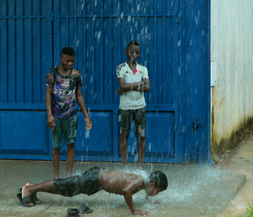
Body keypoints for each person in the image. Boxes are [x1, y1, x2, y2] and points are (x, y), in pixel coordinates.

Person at [17, 167, 168, 216]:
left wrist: (149, 200)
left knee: (66, 190)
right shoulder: (140, 181)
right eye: (157, 191)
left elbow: (140, 190)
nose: (156, 193)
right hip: (95, 179)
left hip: (96, 182)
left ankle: (33, 187)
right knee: (64, 185)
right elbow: (126, 190)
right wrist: (133, 210)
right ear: (152, 184)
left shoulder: (144, 181)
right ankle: (29, 189)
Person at [46, 47, 92, 180]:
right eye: (67, 61)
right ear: (60, 59)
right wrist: (49, 114)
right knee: (56, 146)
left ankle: (68, 176)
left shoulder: (75, 75)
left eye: (72, 61)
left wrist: (86, 115)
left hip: (72, 115)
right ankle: (56, 177)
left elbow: (79, 95)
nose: (70, 64)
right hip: (56, 115)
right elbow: (48, 95)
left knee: (71, 144)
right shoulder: (52, 73)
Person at [116, 41, 150, 168]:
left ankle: (140, 166)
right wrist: (139, 84)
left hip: (140, 106)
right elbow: (122, 86)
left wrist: (126, 87)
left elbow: (148, 88)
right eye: (131, 52)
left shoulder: (143, 69)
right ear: (126, 52)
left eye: (137, 52)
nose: (134, 54)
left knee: (141, 135)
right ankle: (126, 165)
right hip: (125, 107)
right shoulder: (121, 68)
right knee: (124, 134)